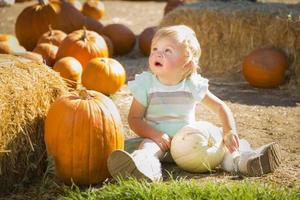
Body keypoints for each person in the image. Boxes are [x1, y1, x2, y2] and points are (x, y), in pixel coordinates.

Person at [107, 25, 281, 181]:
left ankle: (244, 161)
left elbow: (221, 108)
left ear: (186, 64)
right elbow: (134, 119)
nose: (158, 53)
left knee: (221, 147)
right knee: (147, 148)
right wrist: (155, 135)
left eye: (168, 50)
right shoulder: (146, 84)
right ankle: (144, 168)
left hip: (192, 143)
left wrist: (229, 131)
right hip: (159, 143)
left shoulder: (192, 85)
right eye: (155, 48)